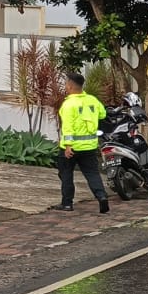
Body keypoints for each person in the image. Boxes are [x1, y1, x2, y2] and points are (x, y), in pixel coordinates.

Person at [52, 72, 108, 214]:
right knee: (92, 174)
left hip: (71, 148)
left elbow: (68, 127)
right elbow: (103, 114)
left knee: (66, 175)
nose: (65, 86)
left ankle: (67, 203)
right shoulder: (92, 100)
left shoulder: (69, 104)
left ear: (70, 86)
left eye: (66, 84)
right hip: (89, 146)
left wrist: (68, 146)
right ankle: (101, 196)